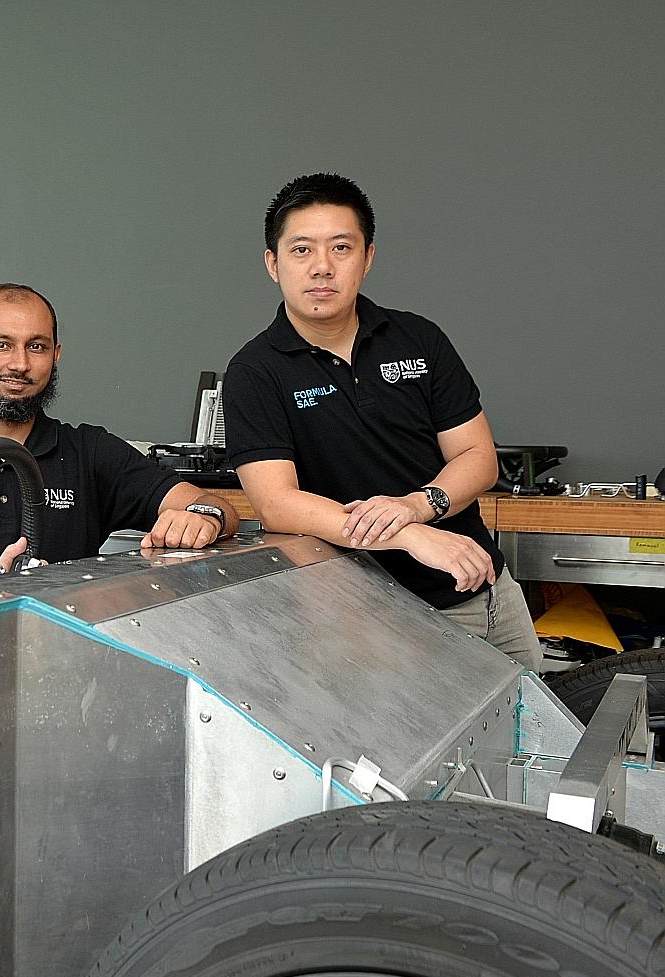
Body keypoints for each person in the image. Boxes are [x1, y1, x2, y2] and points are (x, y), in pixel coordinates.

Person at [222, 172, 541, 670]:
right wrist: (406, 535)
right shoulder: (254, 372)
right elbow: (277, 503)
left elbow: (477, 456)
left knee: (543, 741)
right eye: (301, 250)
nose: (321, 268)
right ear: (273, 263)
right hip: (372, 622)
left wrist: (417, 508)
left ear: (368, 257)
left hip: (490, 592)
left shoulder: (418, 338)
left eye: (341, 248)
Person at [0, 284, 237, 571]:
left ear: (56, 355)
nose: (20, 363)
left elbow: (216, 506)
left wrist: (205, 519)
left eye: (37, 347)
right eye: (1, 345)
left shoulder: (89, 453)